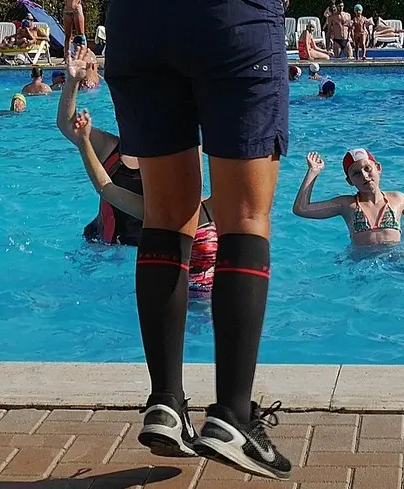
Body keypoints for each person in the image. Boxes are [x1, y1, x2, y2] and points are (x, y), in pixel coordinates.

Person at [105, 0, 291, 472]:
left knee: (165, 215)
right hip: (229, 19)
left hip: (137, 22)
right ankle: (233, 416)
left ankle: (166, 402)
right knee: (244, 216)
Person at [65, 109, 218, 297]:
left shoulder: (160, 214)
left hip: (171, 297)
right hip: (192, 299)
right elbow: (106, 188)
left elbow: (105, 188)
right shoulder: (207, 209)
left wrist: (84, 143)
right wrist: (84, 143)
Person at [57, 48, 143, 246]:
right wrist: (72, 83)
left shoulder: (165, 161)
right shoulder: (110, 148)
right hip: (101, 247)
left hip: (140, 252)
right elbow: (67, 125)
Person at [293, 149, 404, 246]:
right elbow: (301, 209)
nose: (364, 176)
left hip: (393, 263)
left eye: (367, 168)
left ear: (378, 168)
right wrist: (313, 172)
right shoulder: (346, 205)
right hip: (360, 268)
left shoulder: (398, 199)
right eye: (356, 173)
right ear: (350, 181)